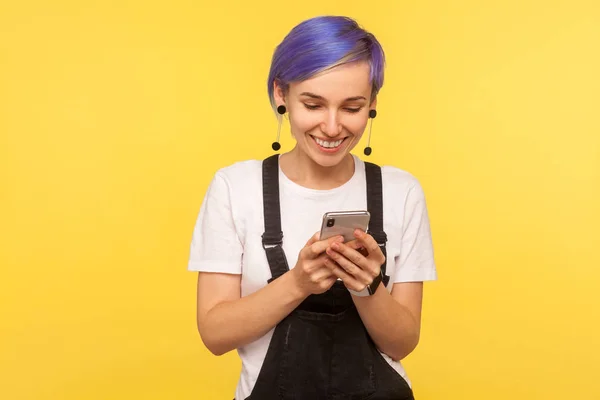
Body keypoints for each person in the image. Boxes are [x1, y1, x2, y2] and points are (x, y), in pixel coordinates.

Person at [187, 15, 437, 400]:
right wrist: (298, 283)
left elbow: (402, 343)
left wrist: (367, 286)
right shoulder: (235, 188)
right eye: (313, 104)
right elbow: (215, 335)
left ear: (372, 104)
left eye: (352, 108)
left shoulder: (401, 192)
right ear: (280, 94)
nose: (333, 127)